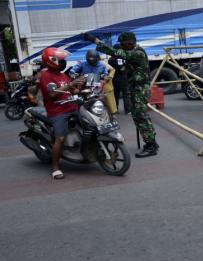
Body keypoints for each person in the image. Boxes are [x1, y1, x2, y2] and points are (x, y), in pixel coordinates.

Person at [83, 31, 159, 158]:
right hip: (136, 88)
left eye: (123, 44)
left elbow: (115, 52)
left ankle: (151, 145)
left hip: (140, 89)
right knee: (139, 116)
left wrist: (95, 40)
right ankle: (151, 142)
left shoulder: (137, 53)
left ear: (130, 42)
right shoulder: (135, 52)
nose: (122, 47)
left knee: (141, 117)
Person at [38, 48, 84, 179]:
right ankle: (55, 168)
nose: (64, 62)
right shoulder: (46, 76)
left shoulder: (63, 75)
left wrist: (80, 85)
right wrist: (72, 85)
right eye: (61, 60)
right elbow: (52, 94)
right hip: (57, 111)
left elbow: (73, 91)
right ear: (51, 61)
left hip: (72, 107)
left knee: (90, 124)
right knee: (61, 138)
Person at [108, 44, 131, 113]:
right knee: (126, 94)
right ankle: (128, 110)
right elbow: (122, 69)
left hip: (114, 79)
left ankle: (115, 109)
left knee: (115, 94)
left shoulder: (110, 59)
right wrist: (126, 65)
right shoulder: (121, 59)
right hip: (122, 78)